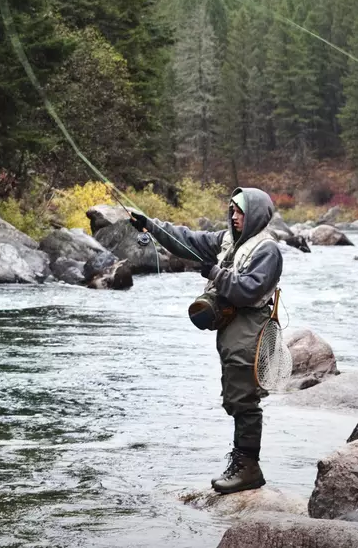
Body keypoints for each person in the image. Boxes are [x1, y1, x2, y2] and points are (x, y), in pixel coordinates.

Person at [127, 187, 282, 494]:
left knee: (244, 398)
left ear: (255, 216)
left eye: (240, 212)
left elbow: (248, 289)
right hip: (233, 326)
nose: (234, 217)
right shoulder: (226, 241)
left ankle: (248, 467)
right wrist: (151, 226)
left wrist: (214, 272)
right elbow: (187, 240)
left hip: (252, 324)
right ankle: (241, 462)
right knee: (234, 394)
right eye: (233, 211)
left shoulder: (267, 250)